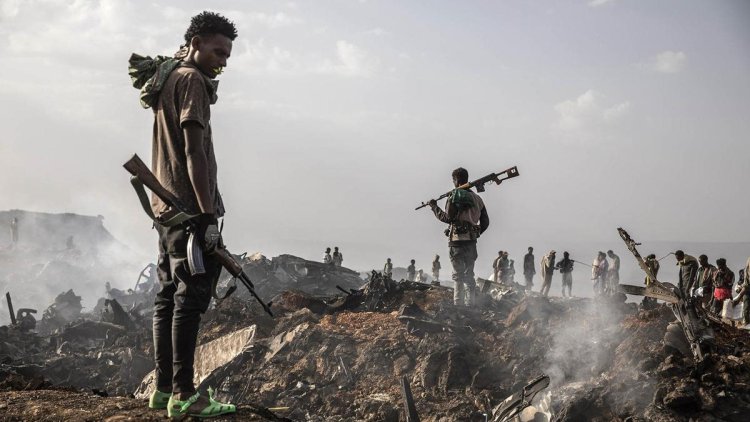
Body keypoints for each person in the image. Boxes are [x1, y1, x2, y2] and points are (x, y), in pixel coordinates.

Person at [140, 11, 238, 418]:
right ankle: (185, 396)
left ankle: (163, 391)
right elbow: (194, 152)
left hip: (166, 212)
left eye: (228, 54)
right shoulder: (193, 80)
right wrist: (207, 218)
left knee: (166, 299)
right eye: (218, 50)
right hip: (190, 212)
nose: (224, 61)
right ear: (196, 42)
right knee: (190, 301)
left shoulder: (168, 77)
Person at [427, 167, 490, 306]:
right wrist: (475, 233)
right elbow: (485, 222)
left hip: (456, 243)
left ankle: (458, 305)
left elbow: (447, 218)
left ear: (456, 180)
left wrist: (434, 207)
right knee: (469, 275)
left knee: (458, 276)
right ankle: (470, 304)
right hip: (471, 243)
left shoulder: (454, 196)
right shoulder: (478, 199)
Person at [733, 257, 750, 325]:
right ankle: (747, 325)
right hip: (747, 292)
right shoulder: (746, 271)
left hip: (746, 290)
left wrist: (738, 298)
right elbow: (746, 285)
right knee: (746, 309)